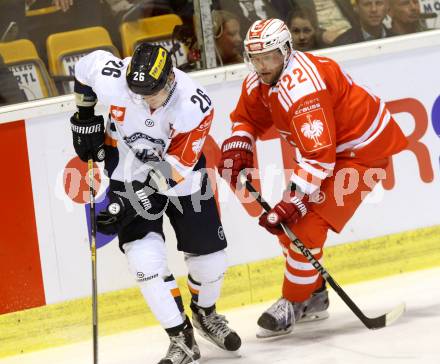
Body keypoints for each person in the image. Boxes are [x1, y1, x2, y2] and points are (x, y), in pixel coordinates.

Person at [217, 18, 407, 338]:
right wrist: (240, 144)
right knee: (291, 225)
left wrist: (294, 202)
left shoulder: (303, 91)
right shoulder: (263, 78)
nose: (261, 66)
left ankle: (294, 301)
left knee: (302, 226)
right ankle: (314, 296)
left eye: (269, 57)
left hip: (363, 153)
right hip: (335, 152)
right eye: (255, 58)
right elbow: (248, 116)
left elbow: (320, 158)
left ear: (286, 51)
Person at [70, 43, 241, 363]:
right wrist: (84, 115)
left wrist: (128, 206)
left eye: (151, 93)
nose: (143, 101)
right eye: (137, 92)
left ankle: (205, 314)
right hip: (126, 169)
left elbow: (174, 171)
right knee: (144, 262)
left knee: (212, 261)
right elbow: (85, 68)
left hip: (180, 176)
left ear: (170, 81)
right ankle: (181, 337)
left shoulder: (194, 104)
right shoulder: (113, 77)